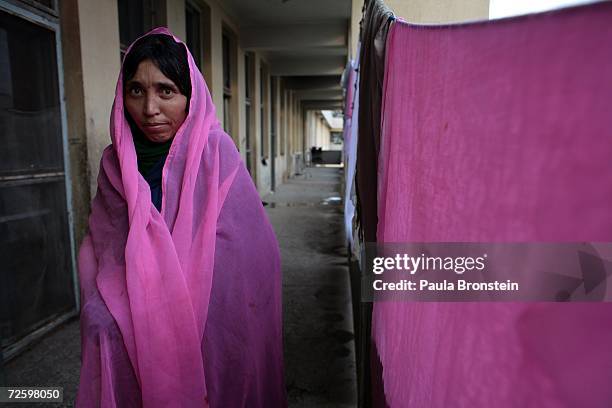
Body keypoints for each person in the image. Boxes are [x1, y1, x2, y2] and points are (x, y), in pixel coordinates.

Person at [76, 27, 286, 407]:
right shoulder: (115, 162)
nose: (149, 108)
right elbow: (104, 245)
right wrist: (110, 304)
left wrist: (180, 301)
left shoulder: (214, 154)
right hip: (134, 299)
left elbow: (246, 252)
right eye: (136, 90)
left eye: (166, 91)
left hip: (205, 305)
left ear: (191, 99)